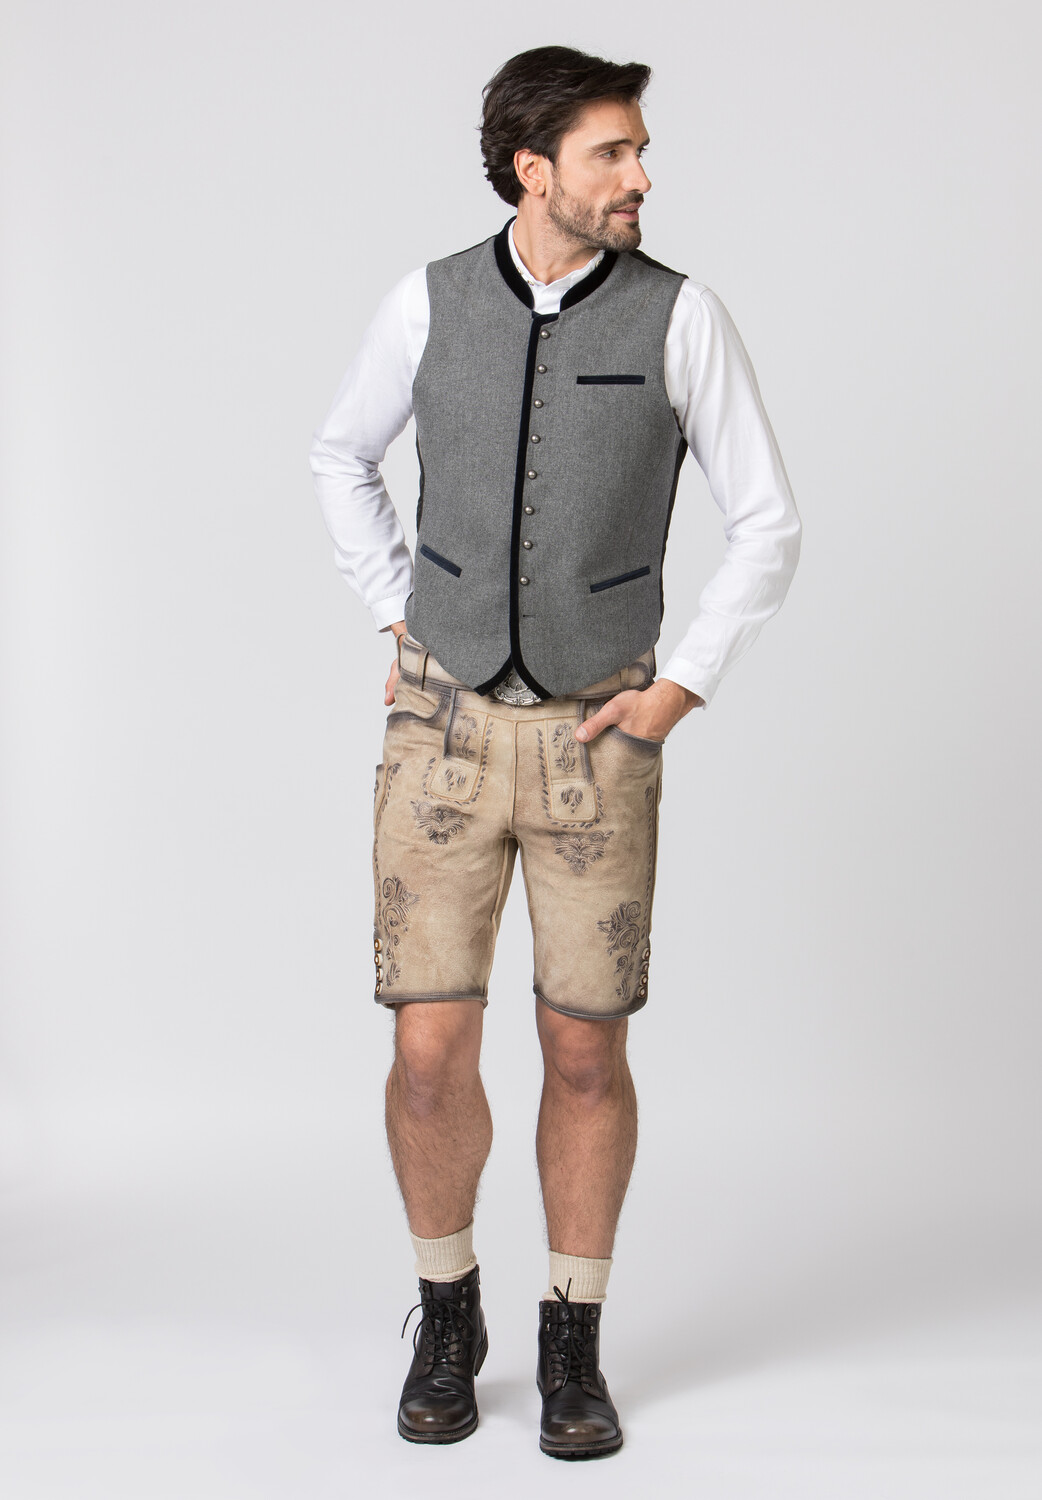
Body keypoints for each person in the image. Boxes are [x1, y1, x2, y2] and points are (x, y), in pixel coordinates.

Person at [309, 44, 802, 1459]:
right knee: (426, 1051)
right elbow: (339, 455)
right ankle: (446, 1310)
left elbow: (767, 519)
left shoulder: (681, 315)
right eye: (611, 152)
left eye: (638, 149)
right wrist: (399, 609)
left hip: (599, 738)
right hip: (441, 732)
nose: (640, 174)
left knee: (584, 1053)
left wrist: (679, 686)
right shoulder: (427, 300)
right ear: (533, 170)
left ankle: (572, 1336)